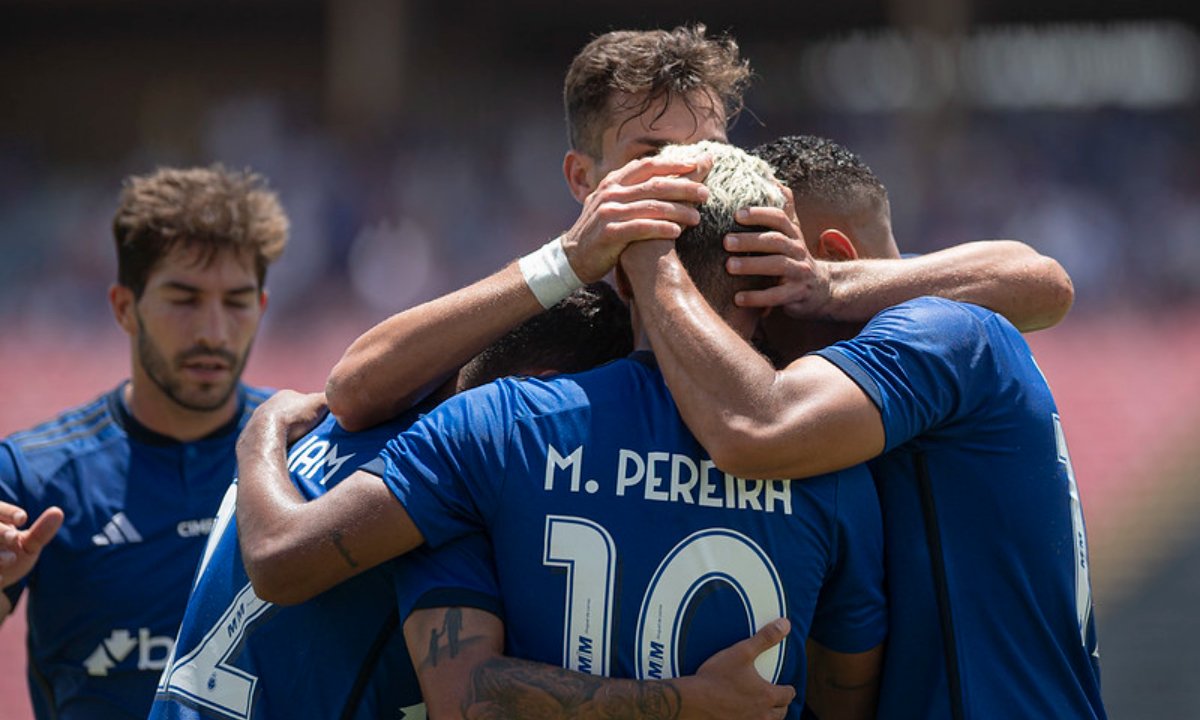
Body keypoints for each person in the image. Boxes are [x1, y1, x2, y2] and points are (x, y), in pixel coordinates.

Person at [235, 140, 888, 720]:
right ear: (775, 282)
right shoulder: (834, 468)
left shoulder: (494, 425)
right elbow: (845, 695)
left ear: (626, 281)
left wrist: (259, 434)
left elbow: (282, 563)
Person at [618, 134, 1108, 719]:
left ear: (830, 255)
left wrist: (649, 260)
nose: (753, 339)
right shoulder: (938, 330)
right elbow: (1036, 280)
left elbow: (751, 427)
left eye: (760, 295)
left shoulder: (940, 333)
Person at [150, 283, 666, 719]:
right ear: (549, 391)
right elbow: (466, 700)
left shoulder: (313, 429)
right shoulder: (445, 489)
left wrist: (257, 429)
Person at [0, 165, 287, 720]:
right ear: (124, 307)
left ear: (262, 307)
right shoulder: (34, 473)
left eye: (236, 302)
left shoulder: (306, 451)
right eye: (184, 299)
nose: (213, 331)